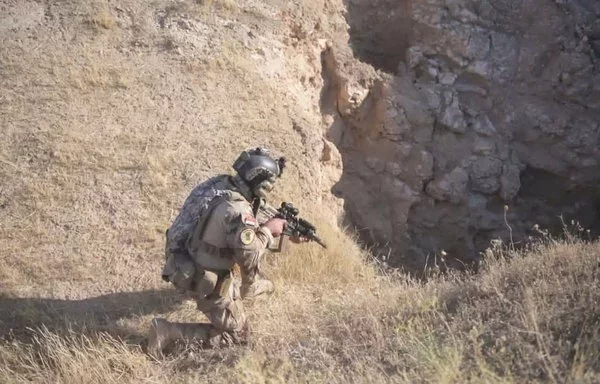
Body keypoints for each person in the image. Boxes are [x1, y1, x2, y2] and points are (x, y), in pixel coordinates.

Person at [148, 147, 305, 357]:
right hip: (202, 277)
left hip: (181, 256)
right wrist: (269, 231)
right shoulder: (237, 211)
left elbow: (241, 217)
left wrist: (278, 224)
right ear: (259, 182)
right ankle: (167, 331)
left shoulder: (220, 184)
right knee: (239, 337)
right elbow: (248, 256)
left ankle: (245, 288)